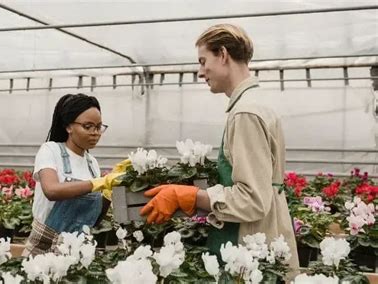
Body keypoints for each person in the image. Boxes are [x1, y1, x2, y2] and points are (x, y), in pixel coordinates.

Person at [140, 24, 299, 274]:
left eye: (204, 61)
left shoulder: (245, 113)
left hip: (248, 246)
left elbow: (253, 200)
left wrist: (190, 195)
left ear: (223, 54)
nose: (201, 71)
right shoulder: (257, 103)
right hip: (265, 236)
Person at [23, 93, 126, 256]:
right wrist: (97, 183)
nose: (95, 133)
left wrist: (108, 191)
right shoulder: (51, 150)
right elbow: (52, 191)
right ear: (69, 126)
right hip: (45, 247)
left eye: (99, 127)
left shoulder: (92, 163)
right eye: (88, 126)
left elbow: (94, 219)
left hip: (79, 249)